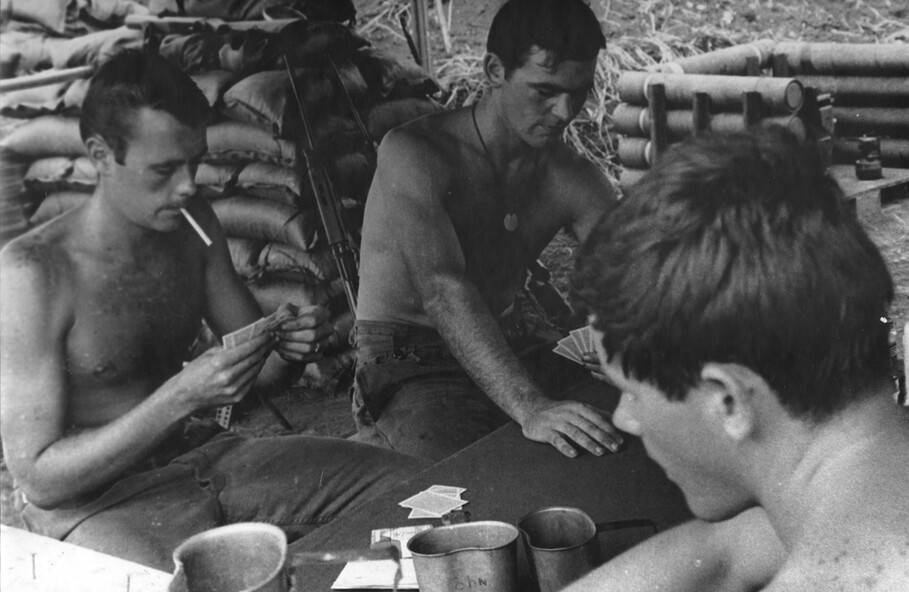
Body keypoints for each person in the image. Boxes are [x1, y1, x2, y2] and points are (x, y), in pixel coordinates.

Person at [0, 49, 427, 572]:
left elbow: (259, 379)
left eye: (194, 161)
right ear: (101, 155)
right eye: (164, 169)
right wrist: (182, 395)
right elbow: (39, 480)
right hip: (97, 505)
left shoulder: (193, 225)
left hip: (202, 458)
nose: (187, 186)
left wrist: (288, 345)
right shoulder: (33, 272)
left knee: (419, 491)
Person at [566, 127, 909, 591]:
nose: (624, 418)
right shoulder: (857, 484)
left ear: (729, 400)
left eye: (630, 392)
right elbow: (723, 550)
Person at [352, 0, 623, 461]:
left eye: (579, 92)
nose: (564, 111)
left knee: (619, 418)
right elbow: (443, 288)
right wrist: (530, 406)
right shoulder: (416, 153)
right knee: (481, 473)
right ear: (495, 70)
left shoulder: (570, 176)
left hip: (508, 339)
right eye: (545, 91)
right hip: (410, 358)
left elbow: (635, 269)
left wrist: (623, 339)